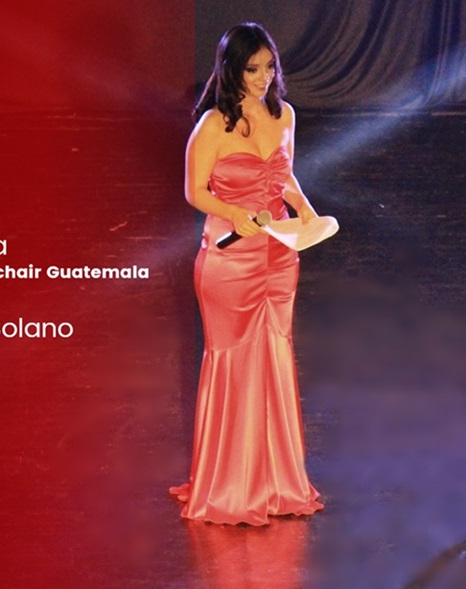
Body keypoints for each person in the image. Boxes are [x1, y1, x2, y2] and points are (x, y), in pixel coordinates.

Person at [169, 22, 324, 525]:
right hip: (229, 259)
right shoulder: (213, 124)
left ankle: (277, 481)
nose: (263, 77)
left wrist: (304, 209)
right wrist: (234, 213)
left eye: (269, 67)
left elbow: (283, 175)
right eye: (252, 68)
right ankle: (229, 486)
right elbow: (195, 190)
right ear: (231, 69)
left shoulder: (285, 116)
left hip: (278, 257)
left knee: (274, 357)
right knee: (233, 362)